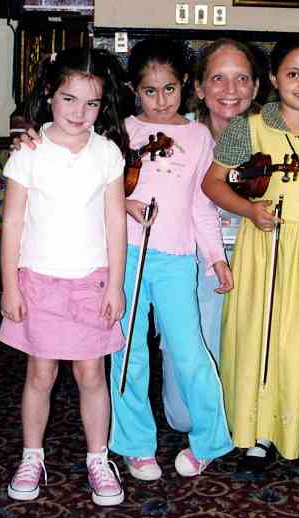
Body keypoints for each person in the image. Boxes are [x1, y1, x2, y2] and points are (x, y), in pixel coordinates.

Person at [202, 36, 299, 476]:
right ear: (274, 79)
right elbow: (213, 185)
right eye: (293, 73)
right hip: (262, 254)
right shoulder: (248, 128)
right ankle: (256, 438)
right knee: (260, 340)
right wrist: (250, 210)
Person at [0, 48, 128, 506]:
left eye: (91, 103)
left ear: (102, 106)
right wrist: (10, 285)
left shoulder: (108, 152)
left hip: (90, 280)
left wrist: (114, 283)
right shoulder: (29, 152)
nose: (79, 112)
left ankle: (98, 457)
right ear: (50, 96)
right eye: (69, 99)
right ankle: (32, 454)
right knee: (40, 372)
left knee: (92, 373)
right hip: (38, 278)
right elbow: (12, 222)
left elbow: (116, 222)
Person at [108, 38, 234, 481]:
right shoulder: (120, 132)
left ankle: (211, 440)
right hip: (126, 259)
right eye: (149, 91)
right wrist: (124, 204)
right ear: (133, 89)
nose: (160, 101)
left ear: (184, 84)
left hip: (179, 259)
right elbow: (102, 193)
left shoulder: (198, 136)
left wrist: (216, 259)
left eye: (169, 90)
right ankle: (134, 445)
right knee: (127, 353)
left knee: (190, 353)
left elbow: (201, 204)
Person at [161, 38, 261, 433]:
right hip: (191, 274)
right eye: (218, 78)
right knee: (184, 418)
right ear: (199, 88)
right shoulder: (171, 134)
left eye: (241, 79)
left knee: (241, 414)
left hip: (256, 268)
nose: (230, 90)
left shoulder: (277, 134)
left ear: (256, 87)